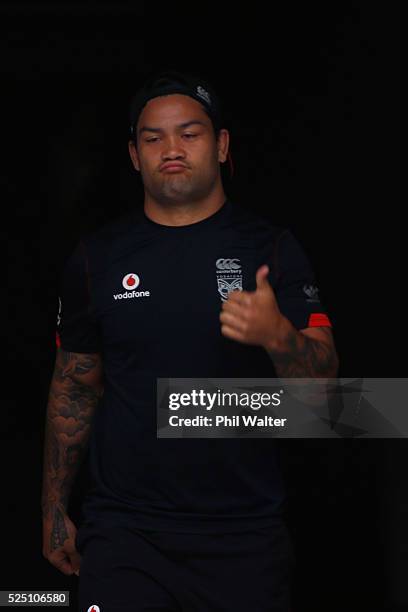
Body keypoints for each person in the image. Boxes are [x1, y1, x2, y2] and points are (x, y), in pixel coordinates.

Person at [41, 70, 339, 612]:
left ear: (222, 145)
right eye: (153, 138)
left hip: (244, 537)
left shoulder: (272, 247)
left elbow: (331, 404)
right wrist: (54, 508)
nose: (171, 148)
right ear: (134, 155)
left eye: (190, 133)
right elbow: (75, 386)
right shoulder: (95, 257)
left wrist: (277, 337)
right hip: (125, 533)